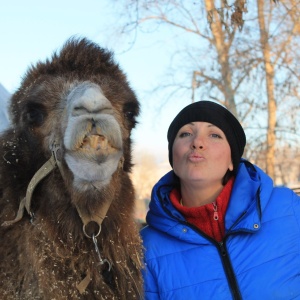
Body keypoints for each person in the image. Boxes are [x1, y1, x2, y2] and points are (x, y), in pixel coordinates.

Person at [141, 100, 300, 300]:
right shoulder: (147, 247)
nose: (197, 142)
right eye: (185, 134)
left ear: (232, 161)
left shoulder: (288, 208)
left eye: (214, 135)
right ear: (173, 155)